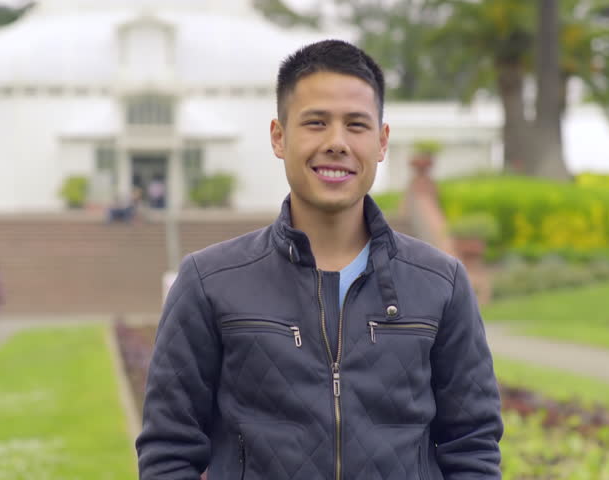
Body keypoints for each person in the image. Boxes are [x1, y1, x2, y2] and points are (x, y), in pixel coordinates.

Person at [136, 40, 503, 480]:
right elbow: (168, 450)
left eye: (356, 125)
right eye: (315, 123)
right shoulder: (209, 282)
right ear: (279, 136)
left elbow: (473, 447)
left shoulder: (440, 283)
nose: (336, 143)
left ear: (382, 142)